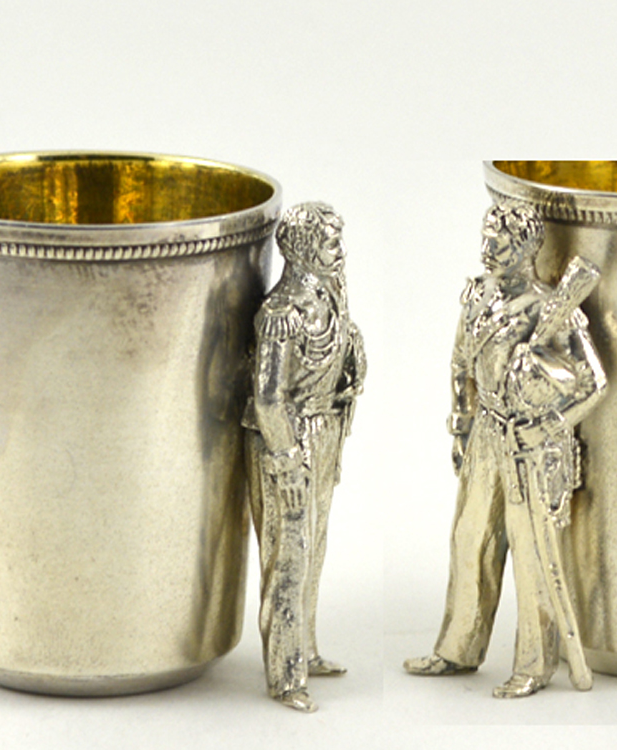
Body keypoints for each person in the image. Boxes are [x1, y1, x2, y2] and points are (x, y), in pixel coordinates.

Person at [404, 203, 607, 698]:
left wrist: (547, 427)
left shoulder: (552, 307)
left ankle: (535, 665)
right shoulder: (477, 296)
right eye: (486, 235)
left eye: (499, 240)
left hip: (530, 446)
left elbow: (593, 384)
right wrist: (461, 426)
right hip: (486, 435)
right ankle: (458, 648)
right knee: (469, 537)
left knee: (532, 552)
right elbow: (461, 365)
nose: (487, 247)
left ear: (526, 248)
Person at [243, 202, 366, 712]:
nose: (341, 252)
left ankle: (305, 649)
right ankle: (285, 675)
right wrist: (287, 460)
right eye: (331, 243)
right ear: (302, 250)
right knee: (287, 556)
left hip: (324, 430)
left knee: (313, 546)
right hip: (287, 440)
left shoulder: (330, 295)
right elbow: (268, 398)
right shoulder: (280, 315)